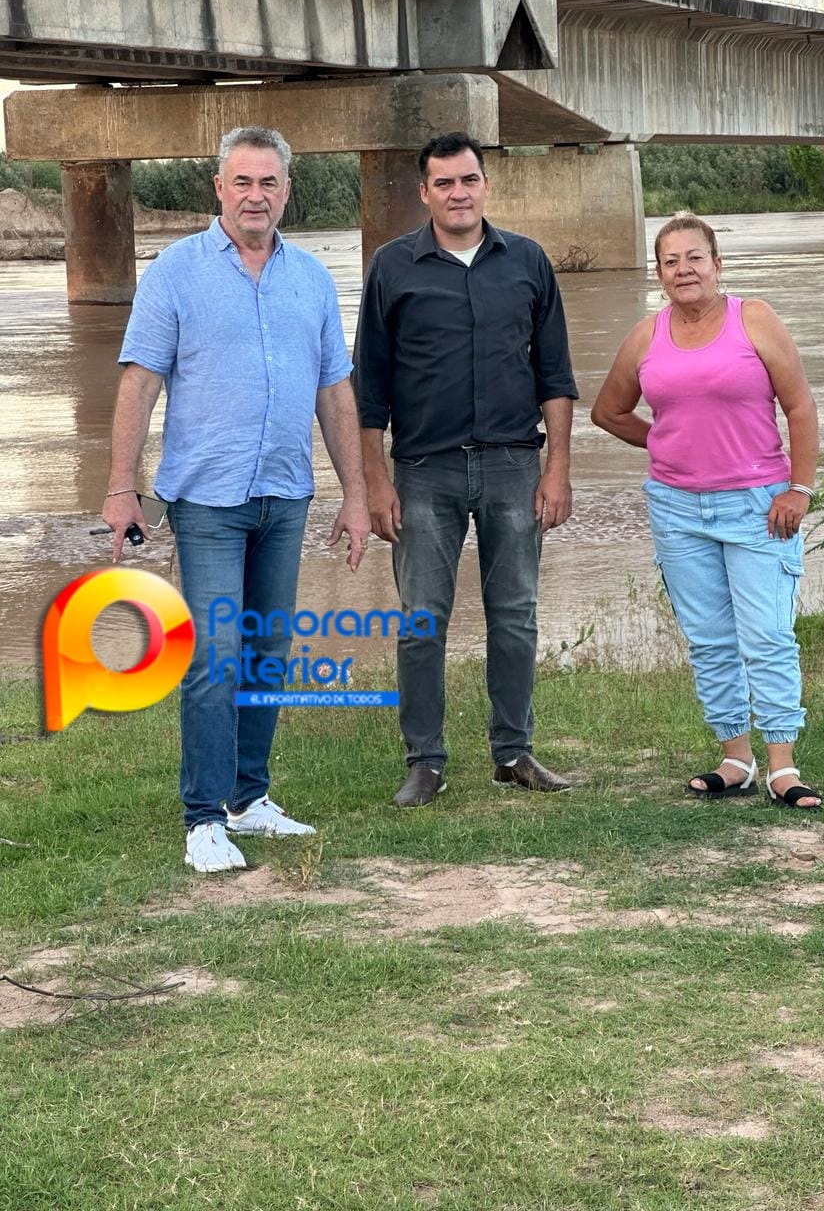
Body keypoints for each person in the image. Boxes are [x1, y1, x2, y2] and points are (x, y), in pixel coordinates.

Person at [101, 125, 370, 872]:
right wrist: (121, 487)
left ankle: (250, 799)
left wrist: (355, 495)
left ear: (287, 191)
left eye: (269, 182)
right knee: (216, 655)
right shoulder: (175, 273)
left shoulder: (311, 279)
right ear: (218, 189)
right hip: (208, 501)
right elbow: (139, 383)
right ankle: (203, 818)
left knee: (268, 650)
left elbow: (335, 393)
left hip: (285, 494)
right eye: (242, 182)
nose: (256, 196)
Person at [353, 131, 578, 807]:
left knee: (515, 614)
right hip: (425, 471)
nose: (459, 193)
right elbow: (369, 386)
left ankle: (513, 752)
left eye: (469, 180)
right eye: (444, 183)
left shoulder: (528, 261)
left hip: (514, 465)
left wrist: (558, 468)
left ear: (485, 185)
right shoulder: (393, 267)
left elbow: (555, 374)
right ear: (424, 192)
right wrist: (375, 481)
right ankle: (425, 762)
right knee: (422, 619)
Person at [591, 214, 822, 809]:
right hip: (677, 508)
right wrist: (668, 442)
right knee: (710, 640)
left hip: (759, 504)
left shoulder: (755, 319)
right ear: (659, 274)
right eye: (670, 261)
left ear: (717, 265)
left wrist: (800, 489)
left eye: (695, 257)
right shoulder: (646, 336)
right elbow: (608, 412)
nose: (684, 270)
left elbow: (800, 406)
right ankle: (735, 759)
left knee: (767, 636)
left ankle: (782, 767)